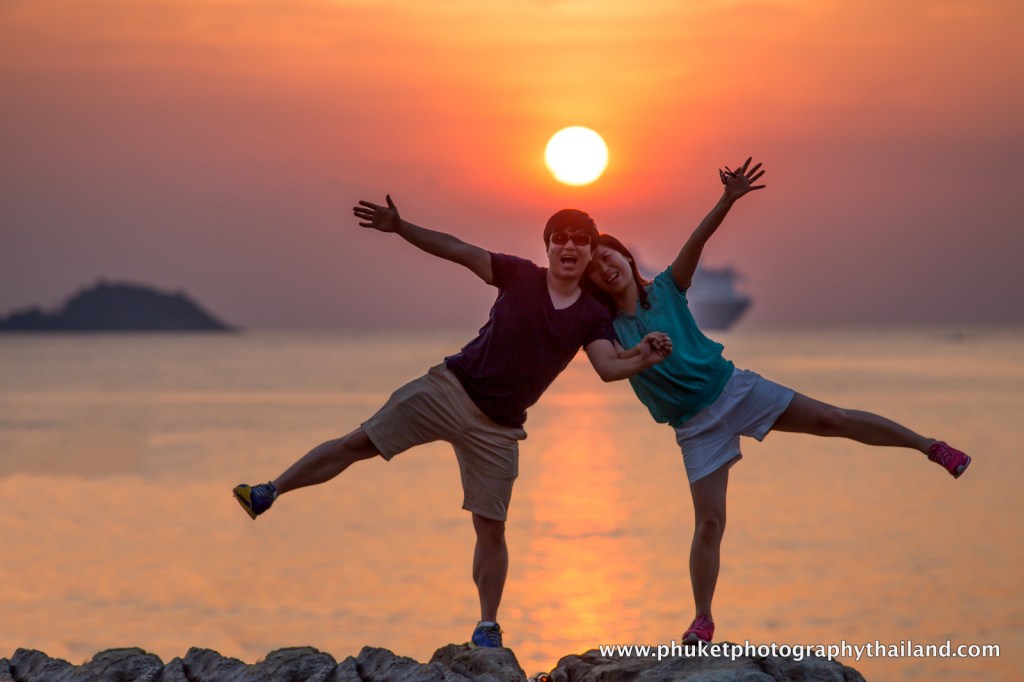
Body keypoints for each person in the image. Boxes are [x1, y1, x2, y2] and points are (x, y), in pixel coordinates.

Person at [233, 195, 672, 649]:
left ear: (589, 251)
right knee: (358, 442)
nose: (570, 245)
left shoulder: (592, 315)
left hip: (498, 428)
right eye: (560, 237)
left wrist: (643, 356)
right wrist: (401, 227)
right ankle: (268, 491)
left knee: (491, 526)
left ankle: (487, 625)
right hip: (450, 389)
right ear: (547, 247)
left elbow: (607, 366)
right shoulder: (519, 274)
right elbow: (456, 248)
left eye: (581, 240)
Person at [585, 158, 972, 646]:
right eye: (596, 268)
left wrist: (726, 200)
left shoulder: (666, 289)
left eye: (609, 257)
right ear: (594, 282)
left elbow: (695, 243)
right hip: (693, 426)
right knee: (709, 522)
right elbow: (612, 366)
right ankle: (702, 620)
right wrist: (643, 354)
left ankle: (930, 446)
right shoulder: (604, 330)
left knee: (835, 418)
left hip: (735, 389)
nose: (604, 268)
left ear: (624, 258)